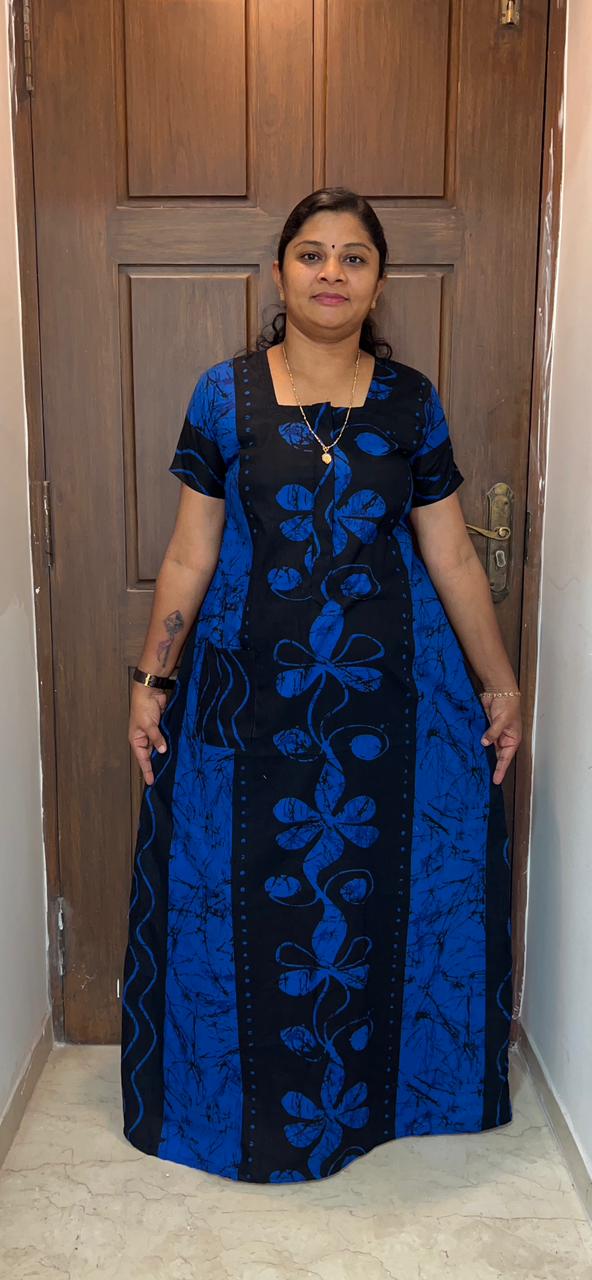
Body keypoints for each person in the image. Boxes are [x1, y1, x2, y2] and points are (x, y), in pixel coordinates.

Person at [121, 186, 522, 1184]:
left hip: (394, 708)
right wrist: (152, 678)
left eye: (353, 257)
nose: (331, 273)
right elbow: (189, 553)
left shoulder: (410, 402)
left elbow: (451, 555)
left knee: (385, 895)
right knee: (246, 893)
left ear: (378, 283)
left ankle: (383, 1101)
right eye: (311, 254)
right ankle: (249, 1108)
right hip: (249, 704)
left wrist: (500, 684)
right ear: (279, 273)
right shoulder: (224, 396)